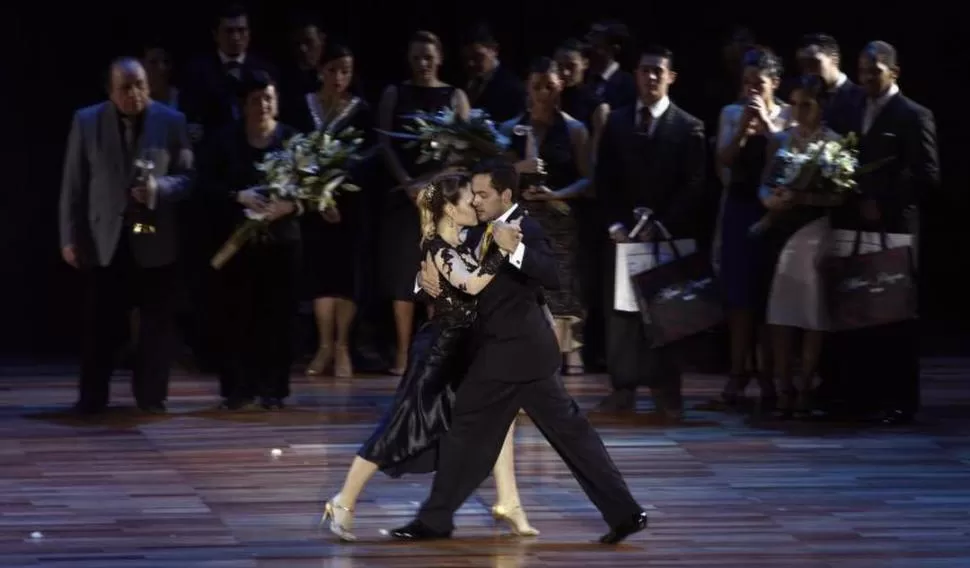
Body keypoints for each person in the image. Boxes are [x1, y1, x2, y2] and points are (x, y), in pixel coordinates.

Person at [390, 158, 647, 544]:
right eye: (473, 193)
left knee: (470, 430)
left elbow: (552, 275)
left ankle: (435, 519)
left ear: (505, 195)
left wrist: (515, 250)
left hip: (514, 354)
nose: (476, 200)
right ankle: (625, 512)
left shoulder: (525, 226)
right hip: (514, 355)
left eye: (483, 194)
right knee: (560, 434)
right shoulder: (479, 228)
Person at [321, 174, 537, 541]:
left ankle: (509, 500)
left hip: (467, 352)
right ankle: (343, 500)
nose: (477, 205)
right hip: (438, 358)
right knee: (399, 432)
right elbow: (470, 283)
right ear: (451, 210)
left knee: (500, 417)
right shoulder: (438, 248)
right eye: (470, 200)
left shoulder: (464, 240)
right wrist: (499, 253)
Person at [59, 57, 194, 414]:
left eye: (140, 85)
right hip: (106, 238)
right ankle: (92, 398)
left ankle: (151, 398)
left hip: (152, 232)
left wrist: (158, 188)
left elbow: (188, 178)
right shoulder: (86, 121)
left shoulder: (172, 120)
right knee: (100, 323)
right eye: (125, 87)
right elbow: (74, 185)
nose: (134, 94)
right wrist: (69, 237)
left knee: (155, 324)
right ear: (110, 90)